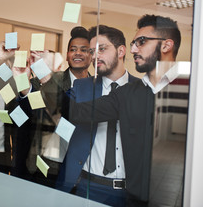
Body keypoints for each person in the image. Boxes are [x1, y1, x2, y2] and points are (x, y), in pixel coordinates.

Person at [65, 14, 181, 206]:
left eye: (141, 42)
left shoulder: (189, 93)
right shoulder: (128, 93)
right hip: (90, 186)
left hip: (137, 193)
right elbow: (74, 111)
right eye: (134, 42)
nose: (134, 49)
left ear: (166, 45)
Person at [56, 25, 139, 206]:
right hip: (88, 185)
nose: (95, 57)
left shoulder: (141, 90)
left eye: (102, 49)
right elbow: (59, 110)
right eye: (93, 51)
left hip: (127, 191)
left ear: (121, 51)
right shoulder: (81, 86)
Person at [26, 26, 92, 186]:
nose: (78, 53)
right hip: (45, 162)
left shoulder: (98, 88)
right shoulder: (49, 79)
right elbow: (25, 102)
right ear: (67, 55)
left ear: (92, 55)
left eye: (84, 49)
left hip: (80, 167)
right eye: (73, 49)